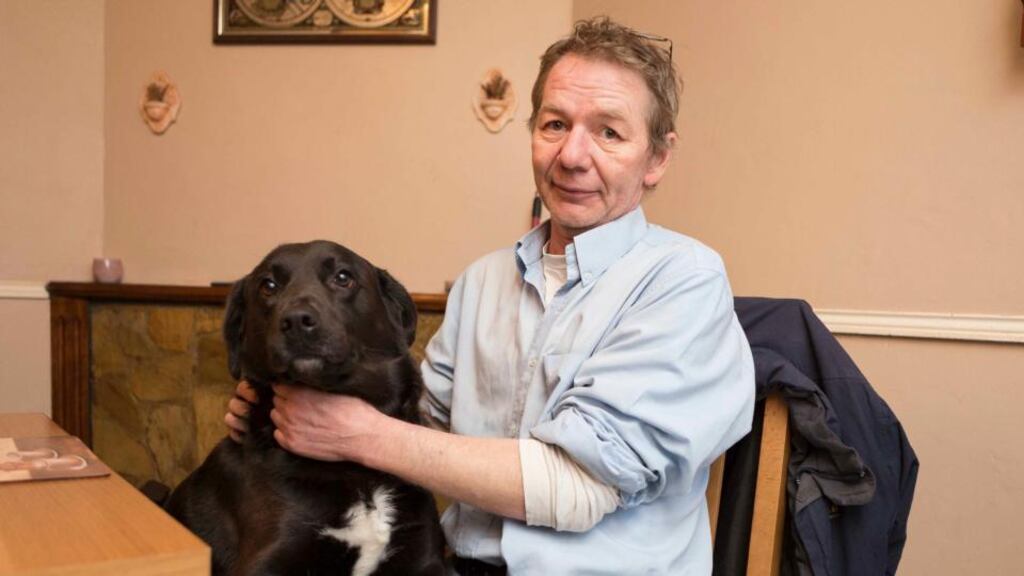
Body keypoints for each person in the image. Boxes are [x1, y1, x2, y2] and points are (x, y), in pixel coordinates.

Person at [227, 16, 754, 575]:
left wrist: (359, 434)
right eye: (555, 124)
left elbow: (577, 488)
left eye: (608, 133)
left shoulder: (683, 279)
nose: (572, 156)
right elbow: (420, 428)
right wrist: (280, 407)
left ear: (657, 159)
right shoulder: (483, 281)